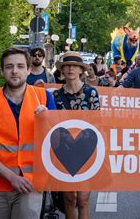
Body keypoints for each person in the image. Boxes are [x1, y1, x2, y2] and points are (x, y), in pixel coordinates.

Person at [0, 47, 56, 218]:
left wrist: (47, 121)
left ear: (28, 69)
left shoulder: (45, 98)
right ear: (2, 71)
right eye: (9, 66)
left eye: (20, 66)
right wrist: (11, 177)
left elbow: (56, 142)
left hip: (31, 183)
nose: (14, 71)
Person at [52, 51, 100, 219]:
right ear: (62, 70)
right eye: (67, 66)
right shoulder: (55, 96)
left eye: (75, 66)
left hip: (86, 150)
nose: (71, 69)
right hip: (64, 152)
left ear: (81, 70)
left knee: (83, 199)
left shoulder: (91, 93)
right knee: (69, 198)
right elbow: (52, 125)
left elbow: (97, 122)